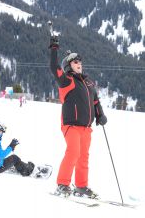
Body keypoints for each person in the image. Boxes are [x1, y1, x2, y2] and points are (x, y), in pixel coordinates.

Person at [49, 36, 107, 198]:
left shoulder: (88, 83)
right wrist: (54, 49)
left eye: (80, 61)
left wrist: (100, 115)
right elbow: (54, 68)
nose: (79, 64)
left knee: (83, 157)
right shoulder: (67, 81)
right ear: (68, 66)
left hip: (86, 128)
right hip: (71, 125)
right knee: (73, 152)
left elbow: (95, 101)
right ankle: (62, 184)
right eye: (75, 62)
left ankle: (81, 187)